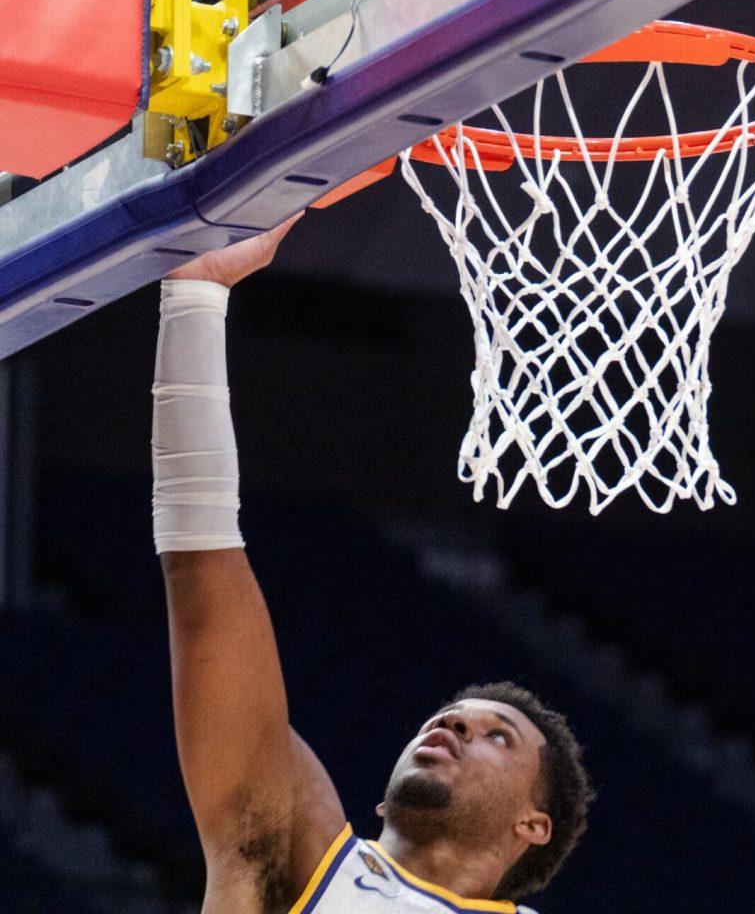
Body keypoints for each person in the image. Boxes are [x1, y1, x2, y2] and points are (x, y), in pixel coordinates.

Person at [152, 217, 595, 914]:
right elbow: (201, 577)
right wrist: (195, 299)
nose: (450, 727)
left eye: (494, 737)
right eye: (451, 718)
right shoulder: (303, 862)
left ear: (532, 826)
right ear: (383, 798)